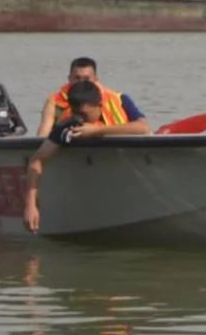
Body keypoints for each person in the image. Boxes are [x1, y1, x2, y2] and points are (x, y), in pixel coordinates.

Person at [23, 80, 149, 233]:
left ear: (99, 105)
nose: (80, 119)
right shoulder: (68, 127)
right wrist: (30, 205)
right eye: (76, 113)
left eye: (85, 114)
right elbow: (37, 160)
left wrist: (96, 131)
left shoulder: (119, 102)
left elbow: (143, 128)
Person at [36, 56, 140, 136]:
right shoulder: (54, 101)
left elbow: (143, 128)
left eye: (86, 79)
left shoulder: (119, 98)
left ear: (96, 79)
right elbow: (43, 135)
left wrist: (96, 131)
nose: (81, 82)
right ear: (69, 78)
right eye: (77, 78)